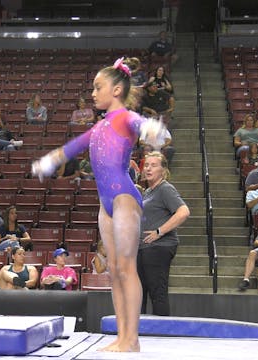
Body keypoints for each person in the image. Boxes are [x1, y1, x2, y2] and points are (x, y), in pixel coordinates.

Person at [31, 57, 166, 352]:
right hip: (105, 203)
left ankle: (132, 339)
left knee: (127, 268)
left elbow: (140, 124)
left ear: (116, 90)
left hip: (124, 197)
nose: (92, 93)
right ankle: (121, 336)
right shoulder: (100, 125)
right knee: (114, 268)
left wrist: (153, 130)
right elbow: (73, 147)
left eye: (98, 87)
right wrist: (49, 161)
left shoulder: (125, 117)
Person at [138, 151, 189, 315]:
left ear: (163, 170)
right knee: (140, 293)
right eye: (146, 165)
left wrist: (159, 232)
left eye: (153, 165)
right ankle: (140, 331)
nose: (148, 168)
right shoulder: (148, 191)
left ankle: (161, 334)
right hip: (145, 248)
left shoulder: (165, 188)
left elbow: (183, 212)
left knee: (157, 292)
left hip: (159, 247)